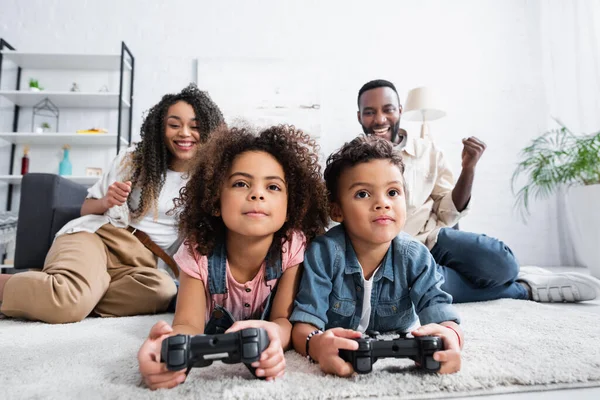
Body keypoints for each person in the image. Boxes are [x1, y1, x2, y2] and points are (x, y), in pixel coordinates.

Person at [356, 79, 600, 303]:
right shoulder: (353, 161)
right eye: (370, 112)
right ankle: (524, 289)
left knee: (503, 266)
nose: (380, 119)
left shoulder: (428, 152)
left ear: (399, 110)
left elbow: (449, 212)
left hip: (433, 239)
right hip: (395, 256)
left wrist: (468, 168)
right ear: (359, 117)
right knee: (423, 290)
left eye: (387, 109)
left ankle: (507, 276)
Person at [0, 83, 225, 323]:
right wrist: (107, 201)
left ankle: (70, 288)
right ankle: (62, 293)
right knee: (67, 302)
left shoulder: (212, 180)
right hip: (100, 238)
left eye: (195, 126)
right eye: (174, 125)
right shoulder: (134, 161)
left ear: (210, 130)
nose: (184, 133)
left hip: (144, 267)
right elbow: (86, 207)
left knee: (164, 291)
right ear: (161, 127)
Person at [137, 125, 329, 389]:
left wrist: (274, 335)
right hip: (199, 304)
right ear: (215, 198)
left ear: (290, 206)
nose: (257, 194)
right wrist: (167, 349)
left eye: (273, 186)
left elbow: (283, 321)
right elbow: (188, 325)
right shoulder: (198, 250)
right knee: (172, 299)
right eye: (241, 183)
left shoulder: (291, 246)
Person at [290, 136, 463, 377]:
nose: (382, 203)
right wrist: (316, 345)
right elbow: (304, 326)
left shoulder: (415, 255)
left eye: (393, 192)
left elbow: (439, 309)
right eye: (363, 194)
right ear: (337, 210)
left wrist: (451, 335)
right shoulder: (324, 253)